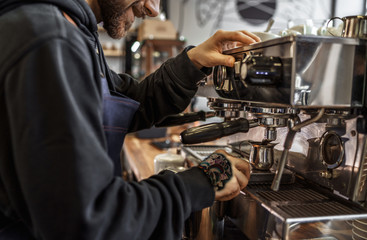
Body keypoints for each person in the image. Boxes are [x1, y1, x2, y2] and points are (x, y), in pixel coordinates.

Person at [0, 0, 260, 239]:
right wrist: (198, 184)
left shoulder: (72, 30)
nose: (153, 9)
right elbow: (89, 221)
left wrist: (192, 63)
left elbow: (130, 101)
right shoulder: (50, 39)